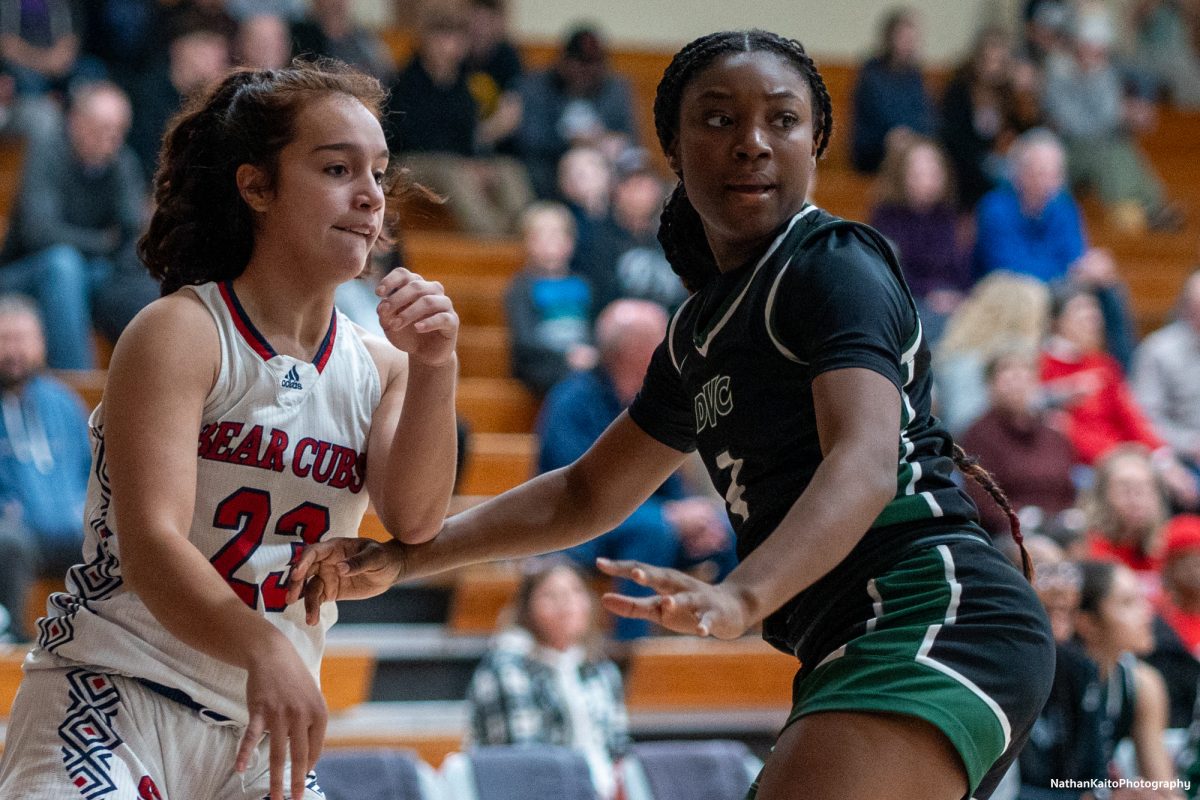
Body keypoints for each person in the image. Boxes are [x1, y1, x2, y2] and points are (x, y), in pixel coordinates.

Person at [290, 30, 1055, 800]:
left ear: (816, 143)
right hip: (848, 638)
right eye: (719, 119)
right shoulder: (695, 335)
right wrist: (405, 559)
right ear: (673, 147)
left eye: (782, 121)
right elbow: (584, 494)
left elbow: (861, 461)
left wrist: (741, 596)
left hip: (937, 610)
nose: (752, 143)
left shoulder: (832, 262)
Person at [0, 60, 460, 800]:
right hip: (117, 696)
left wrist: (436, 363)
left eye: (378, 172)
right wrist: (264, 650)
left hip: (254, 733)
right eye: (338, 168)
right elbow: (152, 545)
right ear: (256, 186)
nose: (371, 195)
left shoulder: (382, 366)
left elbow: (415, 519)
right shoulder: (181, 331)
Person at [538, 299, 737, 638]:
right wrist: (671, 516)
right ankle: (628, 652)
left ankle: (725, 639)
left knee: (722, 528)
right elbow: (576, 494)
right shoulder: (571, 401)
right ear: (636, 350)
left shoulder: (652, 401)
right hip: (578, 525)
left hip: (645, 517)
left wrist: (692, 515)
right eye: (661, 340)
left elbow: (670, 481)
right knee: (655, 531)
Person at [0, 80, 157, 369]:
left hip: (94, 269)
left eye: (118, 132)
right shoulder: (47, 153)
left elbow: (131, 233)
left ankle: (152, 372)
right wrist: (103, 242)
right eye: (101, 129)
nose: (110, 140)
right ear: (75, 122)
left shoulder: (122, 162)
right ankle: (76, 383)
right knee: (63, 264)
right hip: (24, 272)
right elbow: (39, 234)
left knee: (142, 275)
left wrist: (116, 248)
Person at [465, 558, 630, 799]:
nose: (567, 604)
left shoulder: (601, 669)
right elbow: (522, 761)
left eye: (575, 592)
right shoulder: (506, 667)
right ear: (527, 609)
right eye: (551, 595)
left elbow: (618, 750)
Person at [0, 295, 91, 640]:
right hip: (13, 535)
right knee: (7, 543)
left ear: (41, 343)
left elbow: (90, 470)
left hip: (68, 530)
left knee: (111, 539)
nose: (15, 351)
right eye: (6, 339)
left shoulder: (65, 402)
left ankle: (93, 639)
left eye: (23, 339)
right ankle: (12, 639)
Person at [1073, 560, 1182, 796]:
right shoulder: (1056, 682)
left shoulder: (1143, 683)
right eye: (1128, 602)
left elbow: (1164, 787)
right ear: (1087, 622)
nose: (1147, 612)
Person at [959, 347, 1077, 542]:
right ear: (990, 386)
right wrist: (1020, 521)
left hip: (1059, 529)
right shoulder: (977, 435)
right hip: (1008, 535)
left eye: (1025, 375)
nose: (1017, 383)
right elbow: (981, 500)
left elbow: (1068, 492)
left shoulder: (1055, 436)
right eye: (1008, 376)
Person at [868, 133, 972, 345]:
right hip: (910, 303)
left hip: (947, 301)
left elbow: (959, 269)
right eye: (919, 174)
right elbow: (890, 276)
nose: (927, 181)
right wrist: (932, 294)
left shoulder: (946, 215)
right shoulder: (886, 217)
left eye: (933, 173)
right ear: (902, 176)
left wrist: (958, 296)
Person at [516, 25, 639, 199]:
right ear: (564, 61)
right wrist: (570, 140)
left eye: (594, 63)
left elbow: (630, 137)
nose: (587, 70)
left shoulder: (615, 89)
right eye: (580, 63)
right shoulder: (536, 86)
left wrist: (608, 141)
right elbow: (528, 139)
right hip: (550, 166)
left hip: (604, 166)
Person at [505, 201, 596, 395]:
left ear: (571, 241)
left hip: (583, 361)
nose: (550, 242)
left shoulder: (583, 284)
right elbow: (524, 340)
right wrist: (566, 357)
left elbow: (593, 327)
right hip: (542, 366)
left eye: (557, 234)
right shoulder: (521, 286)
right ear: (527, 242)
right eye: (540, 236)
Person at [849, 7, 936, 173]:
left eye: (911, 39)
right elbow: (868, 121)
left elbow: (926, 116)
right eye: (902, 37)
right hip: (875, 149)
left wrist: (911, 135)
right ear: (889, 37)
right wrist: (890, 136)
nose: (907, 44)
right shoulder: (871, 74)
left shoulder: (916, 76)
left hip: (911, 147)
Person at [1133, 270, 1200, 483]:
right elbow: (1143, 418)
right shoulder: (1158, 350)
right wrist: (1190, 443)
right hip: (1180, 457)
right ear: (1187, 308)